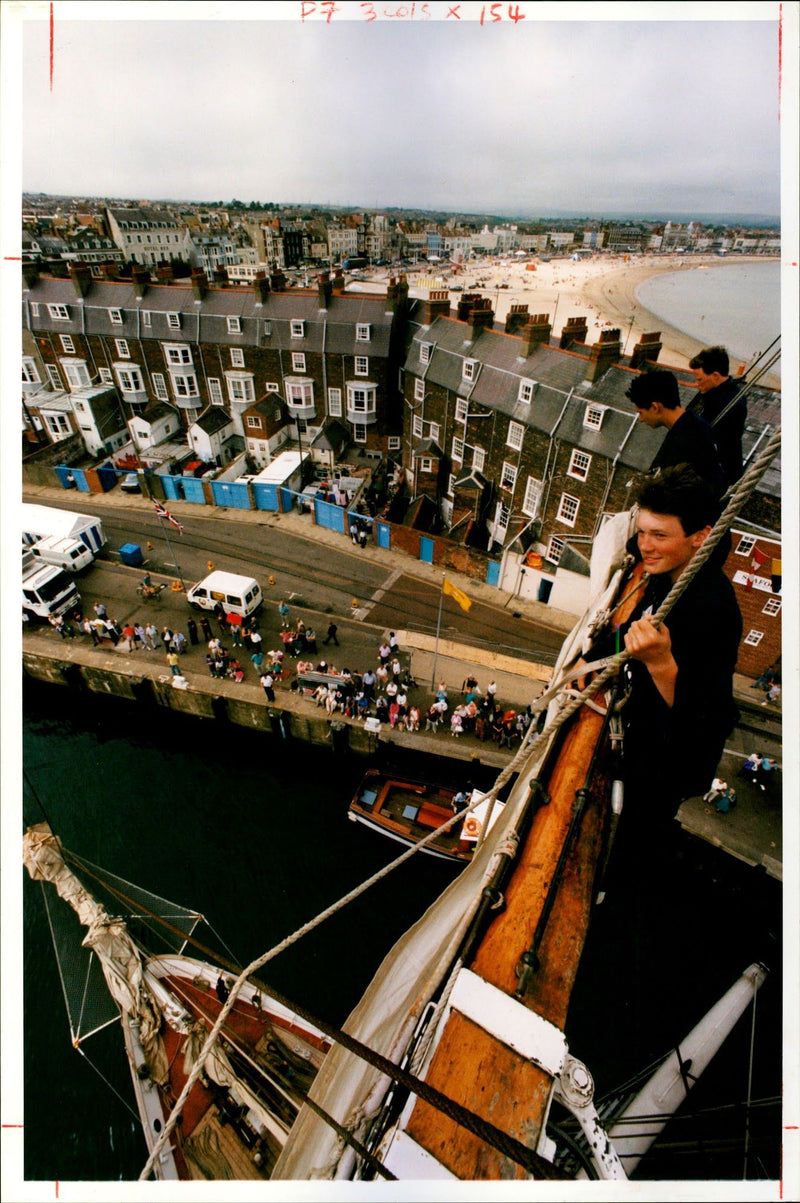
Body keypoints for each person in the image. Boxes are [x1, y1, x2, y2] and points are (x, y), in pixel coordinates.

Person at [580, 465, 742, 839]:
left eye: (659, 535)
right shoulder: (666, 576)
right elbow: (635, 624)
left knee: (632, 832)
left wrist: (660, 662)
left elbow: (705, 719)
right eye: (641, 532)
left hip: (671, 762)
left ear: (700, 537)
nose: (643, 546)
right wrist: (588, 658)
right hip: (645, 727)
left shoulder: (713, 610)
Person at [626, 369, 724, 500]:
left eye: (641, 412)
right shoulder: (694, 424)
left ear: (655, 407)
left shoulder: (685, 441)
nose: (641, 419)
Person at [686, 346, 747, 490]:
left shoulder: (731, 403)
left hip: (717, 476)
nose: (697, 384)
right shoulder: (714, 392)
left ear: (715, 375)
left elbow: (714, 441)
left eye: (699, 379)